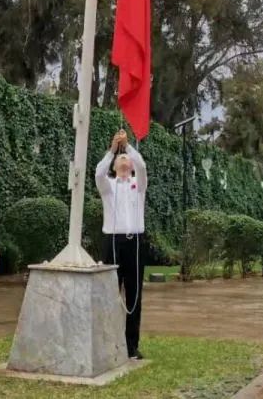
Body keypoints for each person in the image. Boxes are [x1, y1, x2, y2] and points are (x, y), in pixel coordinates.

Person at [95, 129, 148, 360]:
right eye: (121, 159)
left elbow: (143, 167)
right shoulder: (108, 186)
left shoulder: (139, 185)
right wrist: (113, 149)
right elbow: (98, 174)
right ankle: (108, 343)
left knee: (134, 295)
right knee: (109, 294)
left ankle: (131, 345)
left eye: (127, 159)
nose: (125, 161)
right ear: (115, 166)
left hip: (135, 242)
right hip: (113, 242)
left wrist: (128, 147)